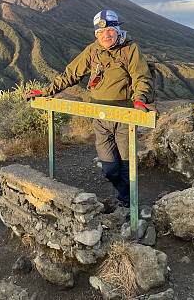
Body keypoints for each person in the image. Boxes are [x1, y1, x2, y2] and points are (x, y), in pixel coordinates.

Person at [26, 10, 154, 207]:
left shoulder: (130, 50)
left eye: (110, 31)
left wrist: (140, 99)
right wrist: (45, 92)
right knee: (109, 168)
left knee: (127, 165)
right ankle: (125, 195)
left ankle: (129, 204)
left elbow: (141, 77)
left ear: (117, 30)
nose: (106, 35)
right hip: (100, 117)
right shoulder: (92, 51)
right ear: (96, 34)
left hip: (125, 116)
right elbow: (70, 75)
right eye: (101, 33)